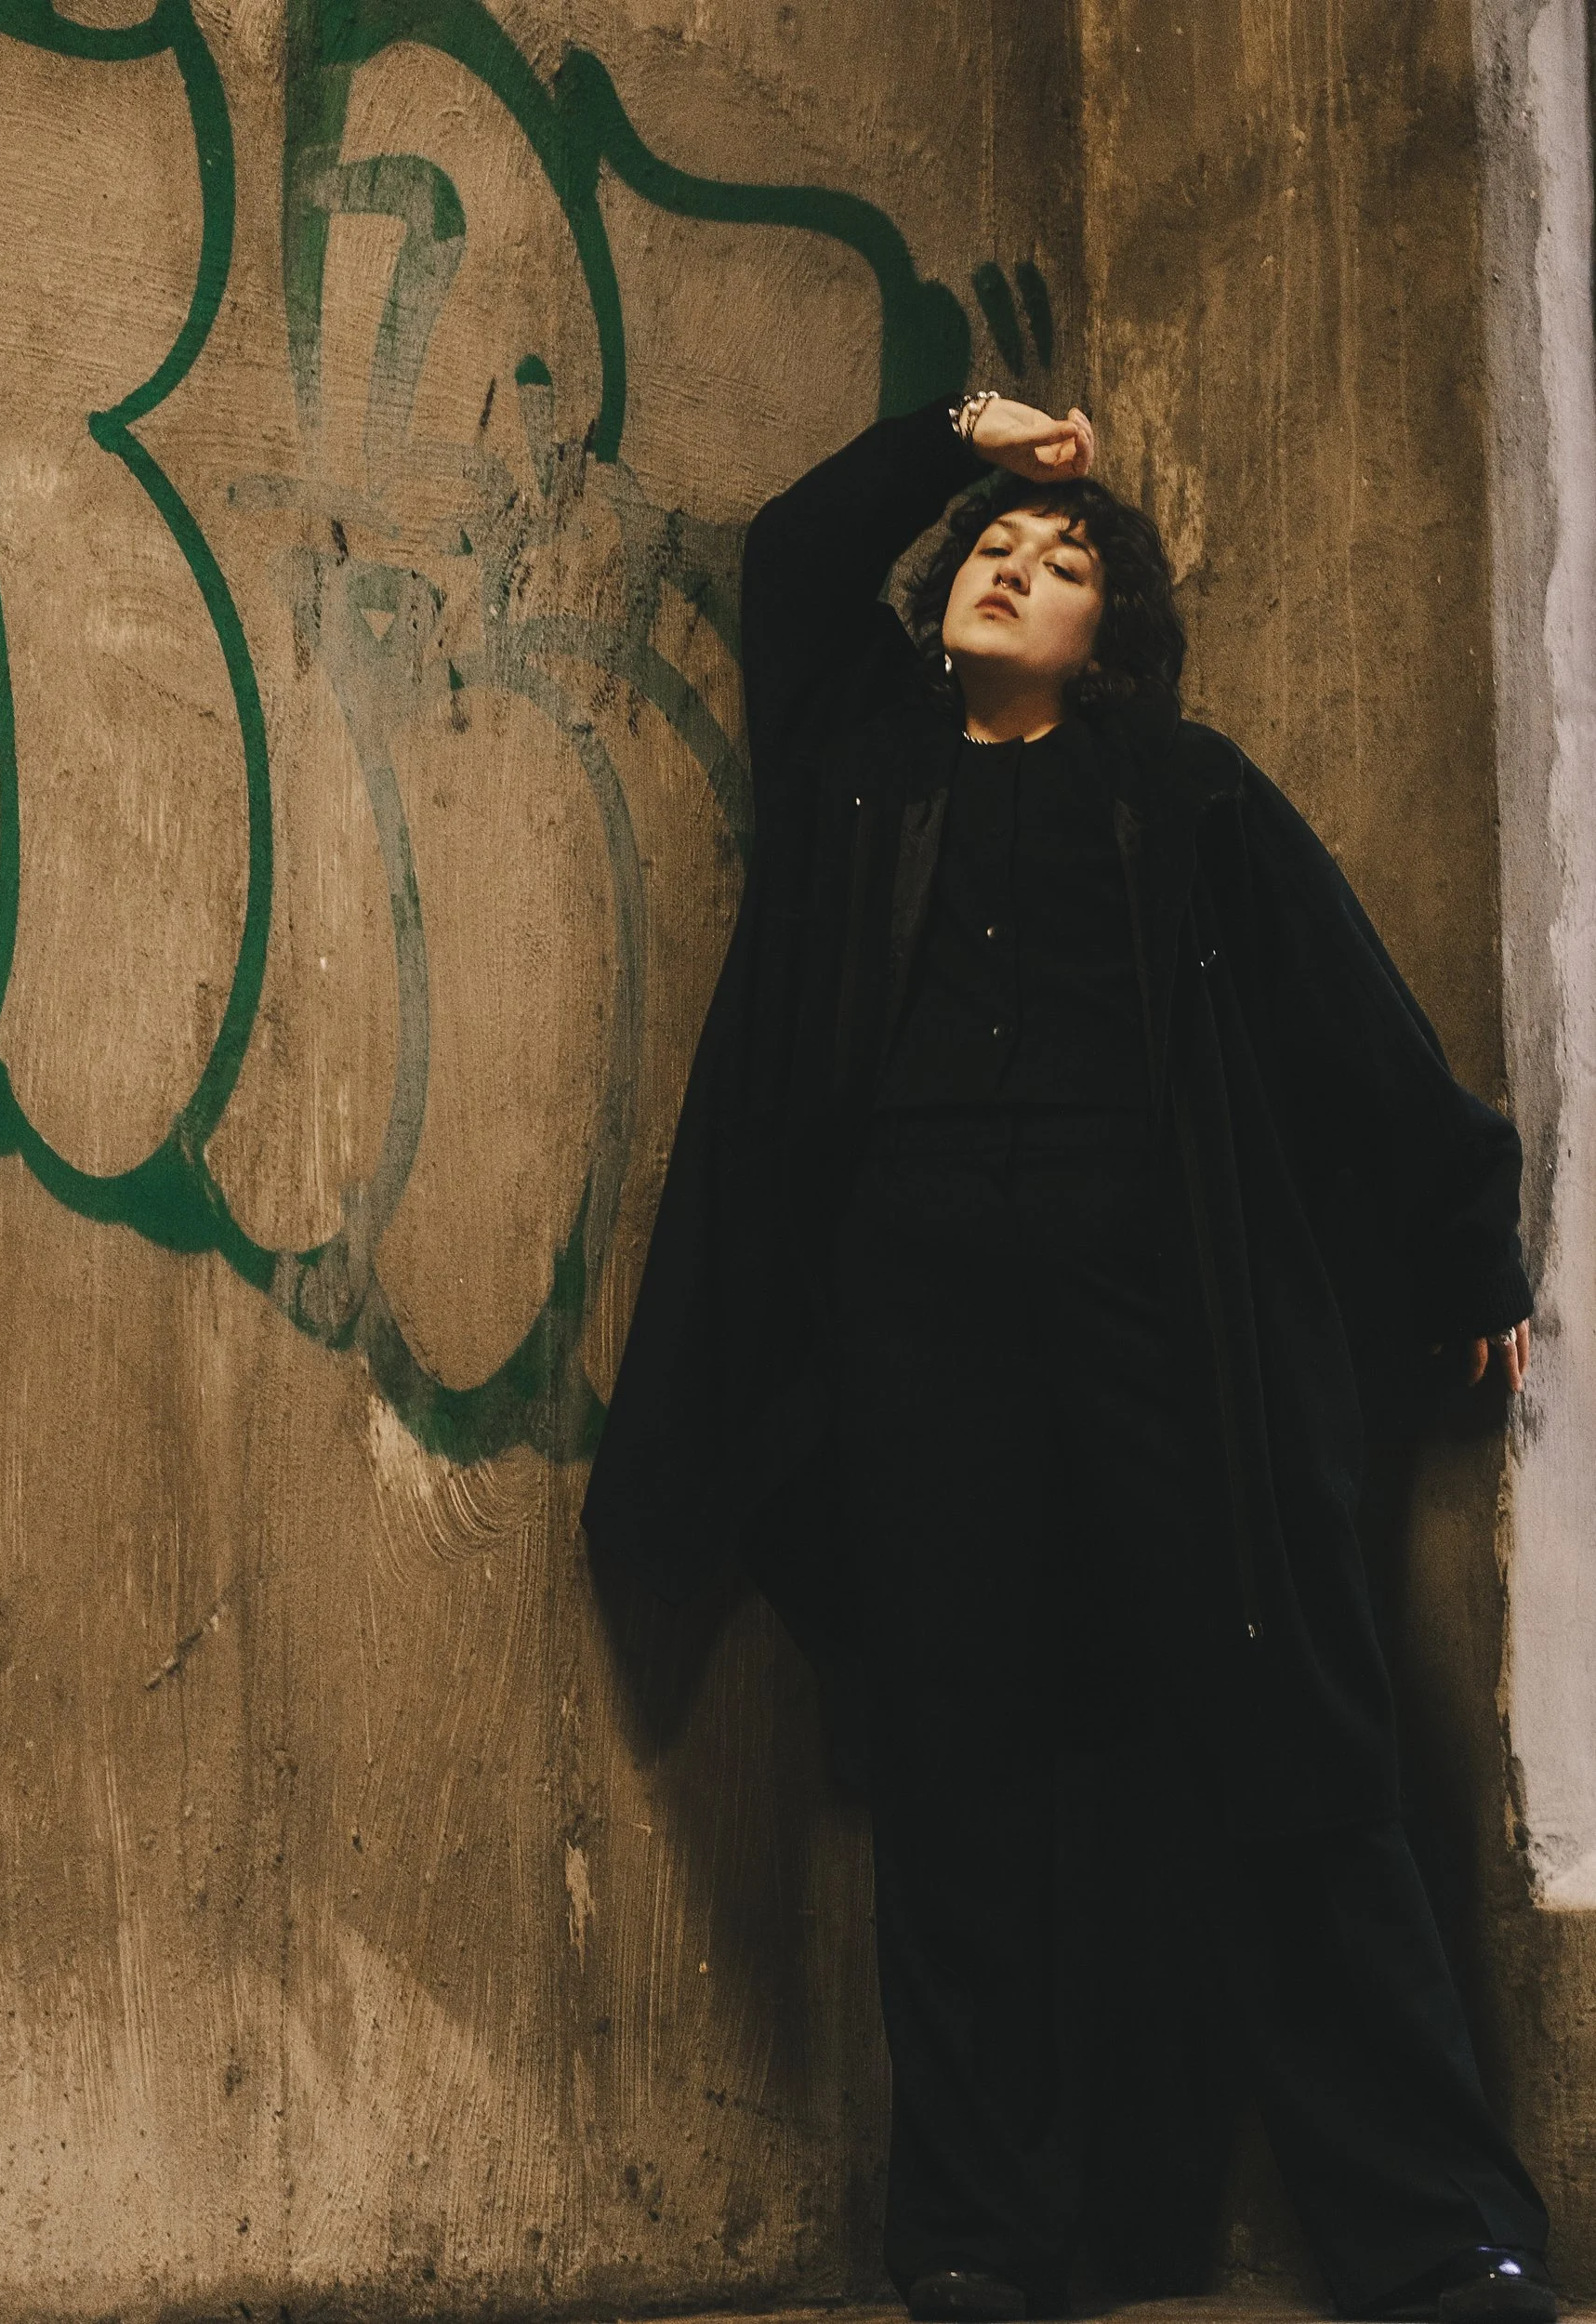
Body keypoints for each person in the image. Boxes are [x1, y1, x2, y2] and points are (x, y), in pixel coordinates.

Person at [580, 391, 1555, 2324]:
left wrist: (1458, 1237)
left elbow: (1346, 1021)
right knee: (961, 1774)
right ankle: (975, 2235)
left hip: (1160, 1333)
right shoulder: (858, 770)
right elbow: (791, 561)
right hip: (916, 1346)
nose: (1012, 566)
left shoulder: (1184, 795)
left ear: (1111, 638)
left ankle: (1435, 2233)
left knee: (1288, 1751)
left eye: (1063, 560)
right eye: (990, 553)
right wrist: (965, 438)